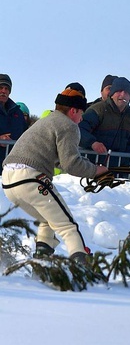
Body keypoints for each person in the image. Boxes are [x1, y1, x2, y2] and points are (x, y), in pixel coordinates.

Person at [1, 88, 109, 264]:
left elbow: (57, 159)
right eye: (81, 113)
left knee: (48, 220)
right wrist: (97, 171)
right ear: (73, 110)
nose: (81, 119)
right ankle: (84, 268)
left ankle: (42, 262)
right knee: (68, 226)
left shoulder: (45, 121)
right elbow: (71, 164)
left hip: (8, 180)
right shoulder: (69, 126)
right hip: (30, 177)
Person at [78, 76, 130, 180]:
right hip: (92, 170)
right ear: (112, 94)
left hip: (118, 173)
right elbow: (79, 130)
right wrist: (93, 143)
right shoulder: (98, 109)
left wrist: (126, 164)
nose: (123, 95)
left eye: (127, 92)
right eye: (119, 91)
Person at [0, 74, 28, 170]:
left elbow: (26, 135)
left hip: (12, 168)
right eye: (0, 87)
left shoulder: (18, 113)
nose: (3, 91)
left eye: (7, 89)